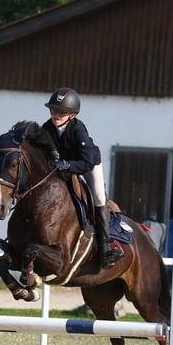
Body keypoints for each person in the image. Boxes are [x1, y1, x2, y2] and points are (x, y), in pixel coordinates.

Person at [41, 87, 124, 269]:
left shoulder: (78, 130)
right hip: (62, 165)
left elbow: (86, 162)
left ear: (72, 114)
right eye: (54, 110)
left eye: (61, 112)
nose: (56, 114)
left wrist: (69, 165)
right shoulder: (46, 128)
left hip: (88, 164)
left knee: (99, 198)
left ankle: (105, 248)